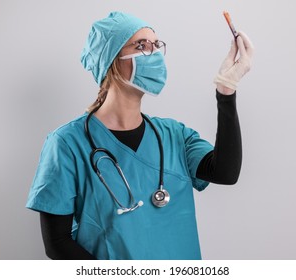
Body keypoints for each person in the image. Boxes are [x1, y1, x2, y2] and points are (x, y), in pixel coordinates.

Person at [26, 11, 254, 260]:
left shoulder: (174, 135)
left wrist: (226, 89)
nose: (154, 54)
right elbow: (57, 244)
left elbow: (226, 173)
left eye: (157, 45)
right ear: (111, 59)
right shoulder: (68, 144)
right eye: (142, 46)